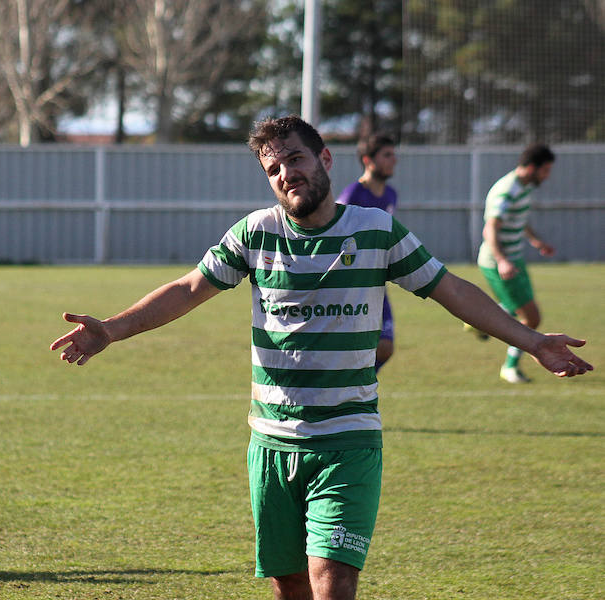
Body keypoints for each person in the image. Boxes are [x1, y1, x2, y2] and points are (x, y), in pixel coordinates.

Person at [49, 115, 592, 600]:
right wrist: (112, 330)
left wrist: (532, 341)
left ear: (324, 160)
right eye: (273, 168)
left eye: (295, 158)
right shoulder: (256, 233)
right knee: (289, 584)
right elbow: (190, 289)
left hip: (347, 441)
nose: (286, 173)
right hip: (271, 443)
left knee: (332, 581)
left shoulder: (376, 232)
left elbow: (451, 290)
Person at [472, 143, 556, 384]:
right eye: (545, 170)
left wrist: (537, 241)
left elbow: (519, 220)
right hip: (499, 262)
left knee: (524, 313)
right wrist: (502, 261)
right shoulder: (507, 191)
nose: (547, 176)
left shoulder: (525, 186)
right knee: (531, 317)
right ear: (531, 167)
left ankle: (476, 319)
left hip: (514, 259)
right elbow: (490, 228)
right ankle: (510, 367)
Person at [336, 133, 398, 371]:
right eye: (387, 155)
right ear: (368, 160)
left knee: (385, 346)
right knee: (348, 351)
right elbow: (333, 234)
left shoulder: (391, 195)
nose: (394, 160)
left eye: (394, 154)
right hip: (350, 285)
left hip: (376, 282)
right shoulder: (353, 195)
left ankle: (356, 392)